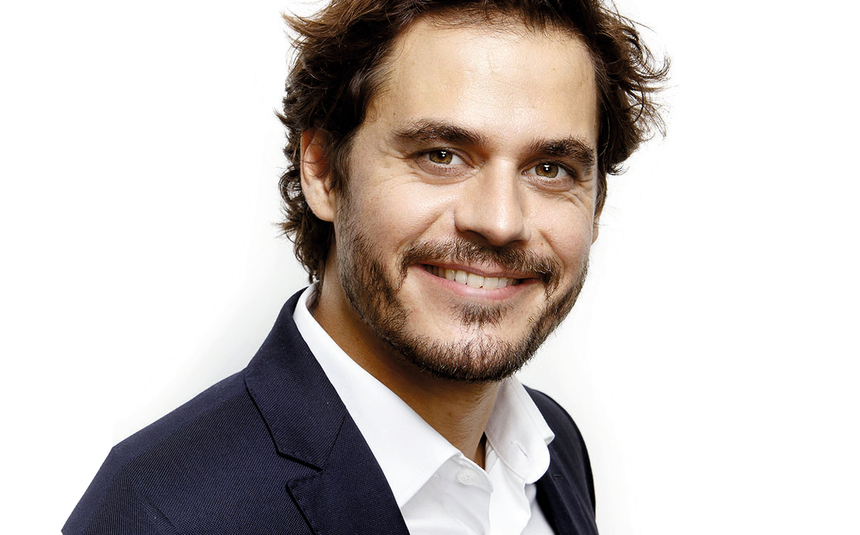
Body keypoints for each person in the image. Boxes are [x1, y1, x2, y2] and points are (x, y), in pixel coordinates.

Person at [64, 0, 666, 533]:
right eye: (441, 155)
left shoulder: (554, 451)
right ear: (324, 171)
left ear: (595, 204)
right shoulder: (161, 513)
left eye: (551, 169)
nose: (501, 221)